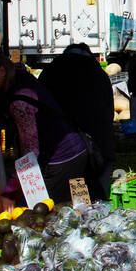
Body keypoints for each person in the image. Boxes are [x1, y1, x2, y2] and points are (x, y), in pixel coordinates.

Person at [0, 49, 88, 204]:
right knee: (74, 207)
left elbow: (31, 153)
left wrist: (10, 192)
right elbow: (7, 117)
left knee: (51, 212)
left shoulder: (20, 100)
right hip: (75, 150)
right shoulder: (15, 77)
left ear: (1, 71)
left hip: (60, 158)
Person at [40, 43, 116, 201]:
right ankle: (95, 213)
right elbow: (109, 112)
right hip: (96, 141)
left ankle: (79, 213)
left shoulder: (51, 70)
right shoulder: (98, 73)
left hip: (64, 147)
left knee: (70, 194)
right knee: (94, 194)